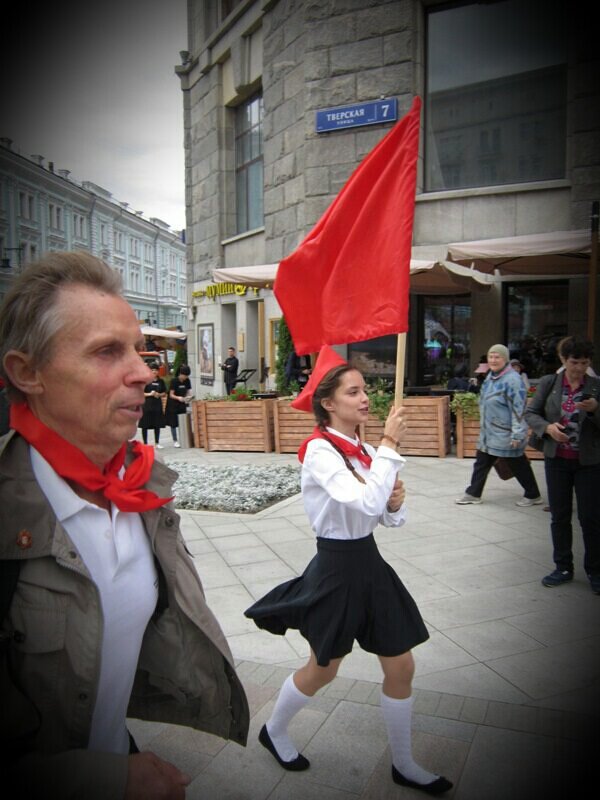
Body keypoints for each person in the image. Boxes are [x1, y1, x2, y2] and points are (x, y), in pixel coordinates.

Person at [0, 252, 249, 799]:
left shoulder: (141, 489)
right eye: (108, 351)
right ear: (27, 373)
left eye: (138, 348)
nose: (143, 370)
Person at [245, 345, 452, 795]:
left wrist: (395, 503)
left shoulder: (361, 449)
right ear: (328, 402)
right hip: (336, 568)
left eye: (365, 390)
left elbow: (379, 513)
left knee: (401, 665)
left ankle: (403, 763)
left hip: (369, 563)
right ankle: (274, 730)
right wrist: (391, 447)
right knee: (323, 669)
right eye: (354, 391)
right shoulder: (320, 451)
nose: (365, 399)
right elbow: (358, 500)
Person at [525, 336, 600, 594]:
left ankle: (595, 569)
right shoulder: (550, 383)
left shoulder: (596, 385)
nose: (579, 367)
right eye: (574, 362)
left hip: (589, 461)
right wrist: (547, 428)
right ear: (563, 360)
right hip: (557, 459)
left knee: (590, 518)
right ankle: (563, 566)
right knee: (559, 515)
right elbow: (531, 413)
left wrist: (594, 410)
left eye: (584, 362)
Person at [456, 344, 543, 507]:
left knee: (517, 463)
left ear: (506, 359)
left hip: (505, 432)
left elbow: (519, 409)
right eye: (491, 357)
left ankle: (533, 494)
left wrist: (517, 433)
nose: (493, 360)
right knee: (482, 462)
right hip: (489, 432)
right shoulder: (491, 375)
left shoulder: (513, 380)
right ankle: (473, 493)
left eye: (498, 357)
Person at [138, 362, 166, 447]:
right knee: (145, 425)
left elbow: (164, 393)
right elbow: (141, 393)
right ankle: (145, 443)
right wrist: (150, 394)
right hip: (147, 405)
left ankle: (157, 442)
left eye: (156, 370)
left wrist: (159, 394)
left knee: (157, 424)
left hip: (157, 405)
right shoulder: (145, 381)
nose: (154, 372)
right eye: (152, 370)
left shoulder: (161, 381)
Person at [165, 364, 192, 447]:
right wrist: (178, 398)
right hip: (173, 404)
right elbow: (171, 394)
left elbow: (188, 391)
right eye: (185, 376)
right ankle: (175, 440)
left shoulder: (187, 381)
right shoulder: (174, 381)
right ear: (180, 374)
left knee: (182, 421)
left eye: (187, 376)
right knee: (173, 423)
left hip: (182, 403)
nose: (185, 377)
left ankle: (182, 438)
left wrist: (188, 397)